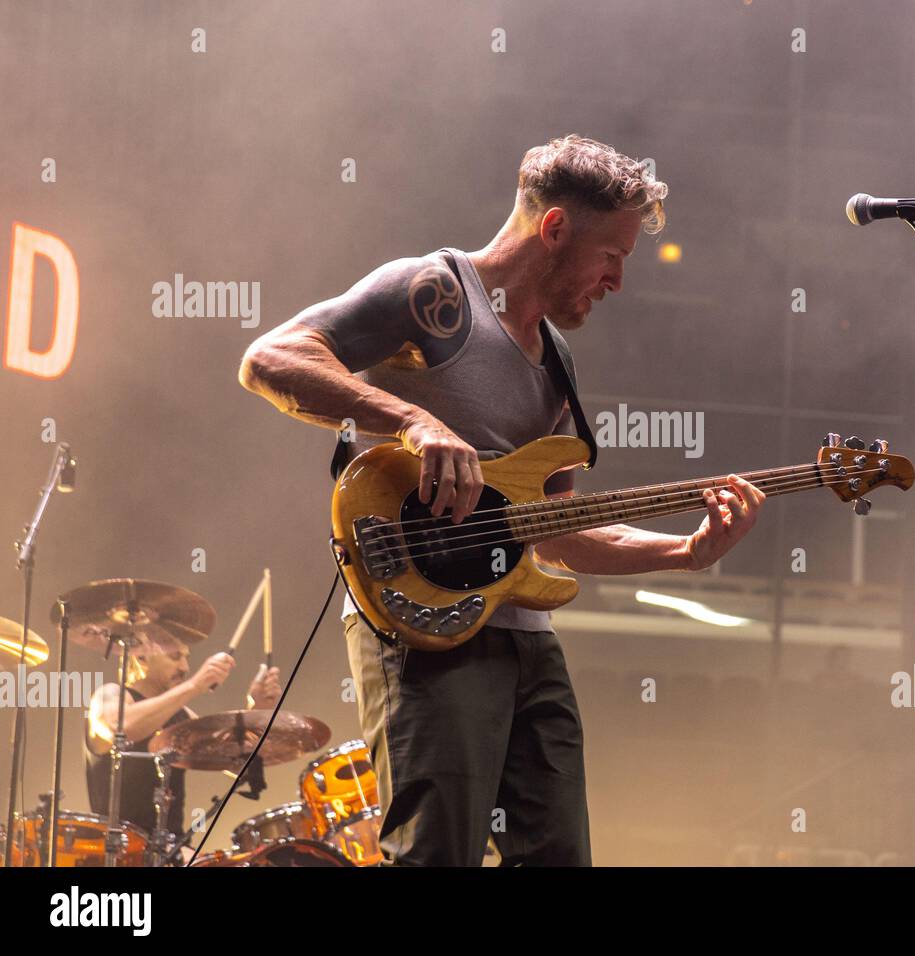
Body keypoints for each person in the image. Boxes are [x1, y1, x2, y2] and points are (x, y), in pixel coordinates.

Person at [238, 134, 766, 865]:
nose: (617, 281)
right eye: (612, 256)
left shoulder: (559, 364)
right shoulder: (436, 292)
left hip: (527, 639)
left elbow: (554, 532)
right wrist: (416, 421)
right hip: (421, 625)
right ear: (554, 230)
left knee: (560, 856)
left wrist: (685, 552)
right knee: (438, 855)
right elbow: (270, 359)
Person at [85, 642, 281, 848]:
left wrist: (258, 711)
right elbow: (120, 727)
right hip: (120, 850)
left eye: (186, 657)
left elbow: (236, 761)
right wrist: (195, 685)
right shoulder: (109, 695)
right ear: (141, 656)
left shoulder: (182, 715)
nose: (185, 667)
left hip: (172, 851)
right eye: (175, 656)